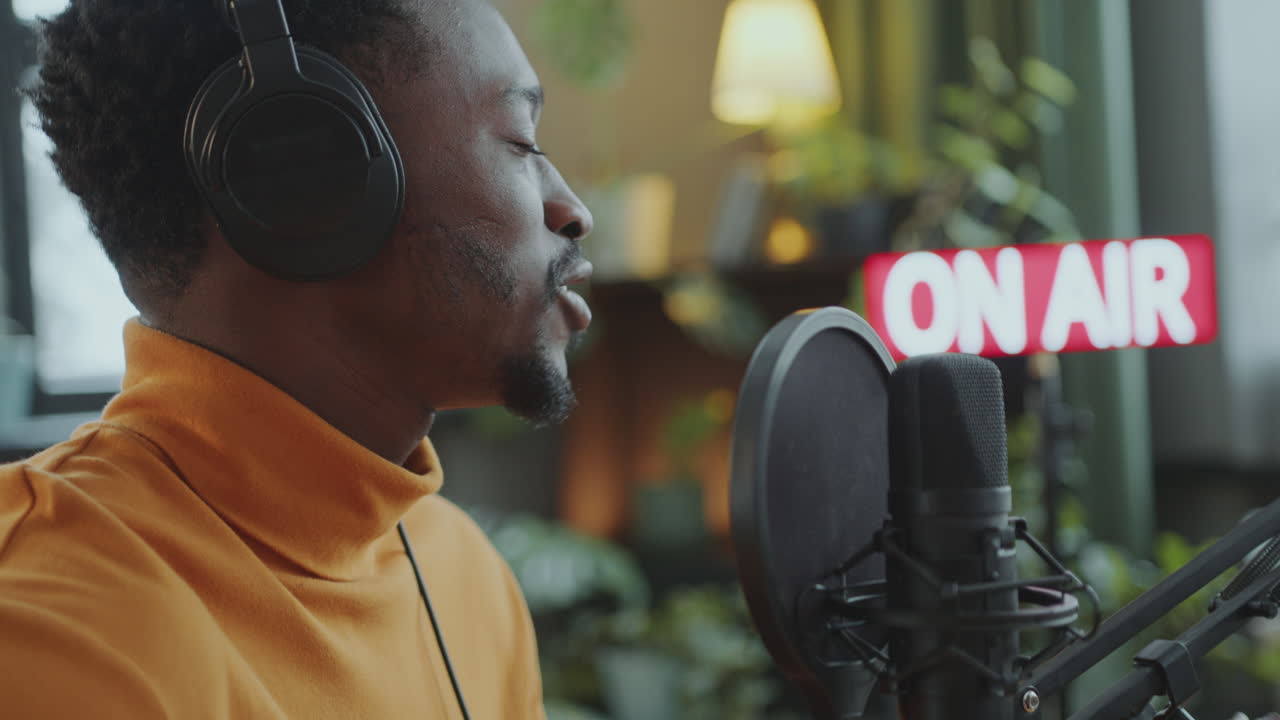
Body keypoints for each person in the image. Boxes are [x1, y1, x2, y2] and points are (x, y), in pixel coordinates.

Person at [0, 0, 593, 717]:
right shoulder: (54, 637)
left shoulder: (465, 577)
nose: (571, 211)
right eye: (522, 142)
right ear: (306, 175)